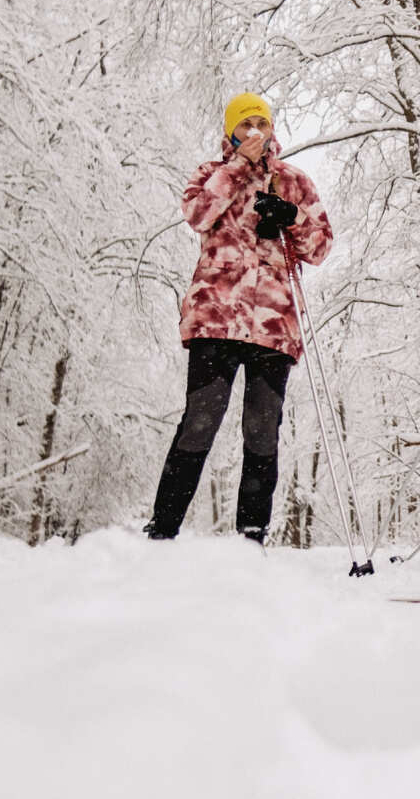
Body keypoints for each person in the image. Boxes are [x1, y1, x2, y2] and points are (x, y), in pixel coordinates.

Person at [146, 93, 334, 543]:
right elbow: (197, 214)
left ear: (272, 130)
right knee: (201, 419)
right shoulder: (211, 174)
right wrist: (236, 171)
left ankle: (252, 536)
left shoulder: (294, 181)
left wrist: (291, 216)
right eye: (245, 125)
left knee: (262, 427)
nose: (254, 132)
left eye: (261, 124)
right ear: (231, 132)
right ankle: (163, 529)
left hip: (274, 325)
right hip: (215, 318)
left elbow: (321, 247)